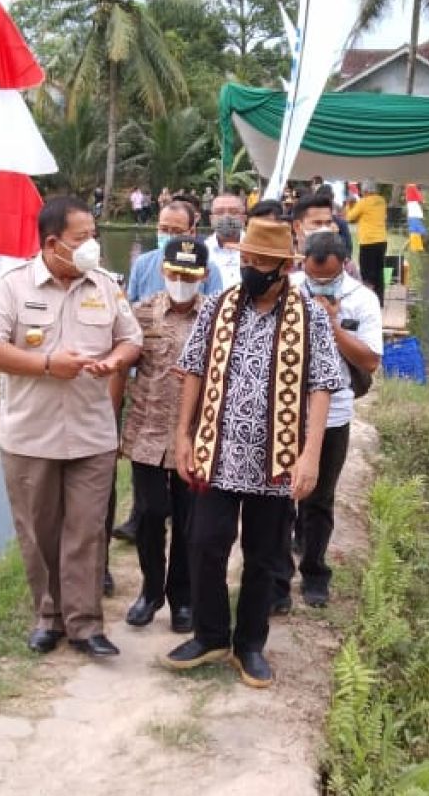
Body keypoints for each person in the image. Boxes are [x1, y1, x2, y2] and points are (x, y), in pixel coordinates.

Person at [165, 218, 344, 688]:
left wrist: (310, 455)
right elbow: (193, 370)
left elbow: (323, 384)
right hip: (216, 453)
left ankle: (249, 644)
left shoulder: (307, 316)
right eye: (246, 260)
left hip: (275, 459)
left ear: (284, 267)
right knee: (204, 544)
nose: (251, 268)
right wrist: (182, 435)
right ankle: (211, 635)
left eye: (261, 262)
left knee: (264, 555)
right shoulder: (219, 307)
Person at [0, 195, 143, 658]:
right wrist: (47, 363)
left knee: (87, 530)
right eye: (81, 238)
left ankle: (86, 625)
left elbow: (132, 339)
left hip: (92, 433)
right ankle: (48, 616)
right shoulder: (11, 287)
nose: (92, 245)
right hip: (30, 436)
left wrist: (113, 361)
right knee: (40, 532)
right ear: (52, 243)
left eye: (94, 235)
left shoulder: (105, 285)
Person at [277, 232, 382, 608]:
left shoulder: (363, 299)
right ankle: (278, 578)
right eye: (313, 274)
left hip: (334, 414)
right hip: (284, 409)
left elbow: (370, 360)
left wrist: (332, 325)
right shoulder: (285, 289)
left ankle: (315, 573)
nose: (319, 283)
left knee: (319, 499)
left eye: (328, 277)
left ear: (344, 267)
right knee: (278, 497)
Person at [113, 236, 209, 633]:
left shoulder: (216, 318)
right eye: (175, 272)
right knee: (151, 514)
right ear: (164, 271)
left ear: (202, 276)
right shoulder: (140, 313)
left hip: (196, 437)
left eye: (190, 274)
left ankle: (182, 598)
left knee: (190, 521)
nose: (181, 280)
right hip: (147, 432)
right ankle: (151, 590)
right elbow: (121, 364)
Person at [125, 201, 223, 303]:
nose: (170, 235)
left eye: (177, 231)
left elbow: (216, 309)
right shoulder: (143, 263)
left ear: (192, 232)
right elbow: (130, 305)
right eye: (164, 229)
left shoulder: (208, 269)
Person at [344, 178, 387, 306]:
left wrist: (349, 205)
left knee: (367, 272)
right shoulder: (382, 201)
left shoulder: (363, 202)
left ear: (365, 190)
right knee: (379, 271)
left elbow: (350, 217)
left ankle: (369, 302)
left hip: (368, 241)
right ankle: (380, 301)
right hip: (382, 241)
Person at [205, 192, 246, 289]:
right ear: (211, 219)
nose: (226, 216)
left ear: (244, 218)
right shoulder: (202, 251)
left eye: (233, 212)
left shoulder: (257, 249)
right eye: (219, 212)